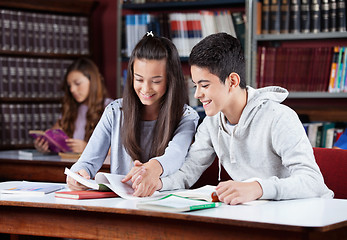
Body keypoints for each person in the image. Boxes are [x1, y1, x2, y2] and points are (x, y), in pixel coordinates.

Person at [133, 32, 333, 204]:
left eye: (205, 85)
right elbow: (188, 171)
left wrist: (257, 188)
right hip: (263, 214)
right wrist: (157, 183)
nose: (197, 95)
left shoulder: (279, 118)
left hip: (309, 215)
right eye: (196, 86)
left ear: (232, 81)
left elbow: (312, 181)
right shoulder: (211, 123)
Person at [67, 32, 199, 196]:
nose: (145, 89)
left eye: (156, 81)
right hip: (121, 203)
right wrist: (79, 174)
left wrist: (149, 169)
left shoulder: (186, 116)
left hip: (166, 203)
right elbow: (87, 161)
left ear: (170, 79)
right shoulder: (115, 111)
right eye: (139, 79)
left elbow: (176, 154)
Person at [34, 57, 113, 154]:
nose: (72, 90)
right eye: (69, 86)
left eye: (77, 83)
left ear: (92, 82)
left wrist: (87, 148)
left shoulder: (111, 108)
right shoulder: (71, 109)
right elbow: (52, 136)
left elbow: (122, 150)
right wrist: (45, 146)